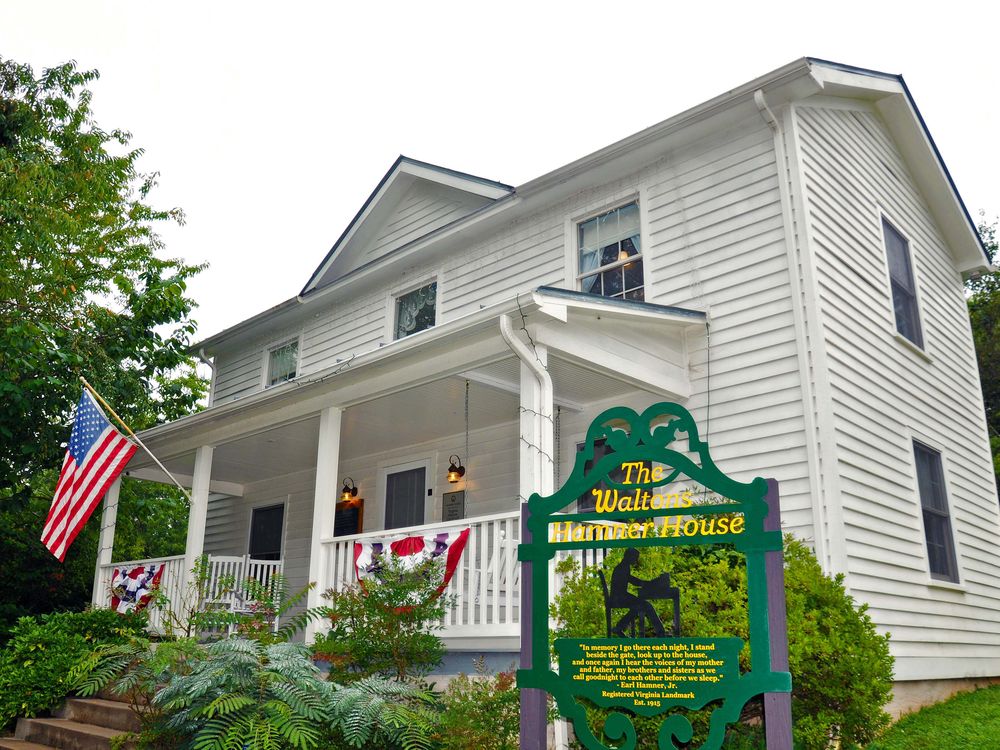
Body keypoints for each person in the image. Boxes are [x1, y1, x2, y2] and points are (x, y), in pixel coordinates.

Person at [609, 548, 666, 637]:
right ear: (629, 557)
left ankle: (620, 626)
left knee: (640, 606)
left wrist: (647, 583)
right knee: (645, 605)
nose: (636, 560)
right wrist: (649, 584)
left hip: (620, 596)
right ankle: (661, 632)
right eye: (635, 558)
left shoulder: (623, 567)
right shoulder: (623, 568)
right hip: (619, 597)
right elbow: (633, 581)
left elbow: (632, 579)